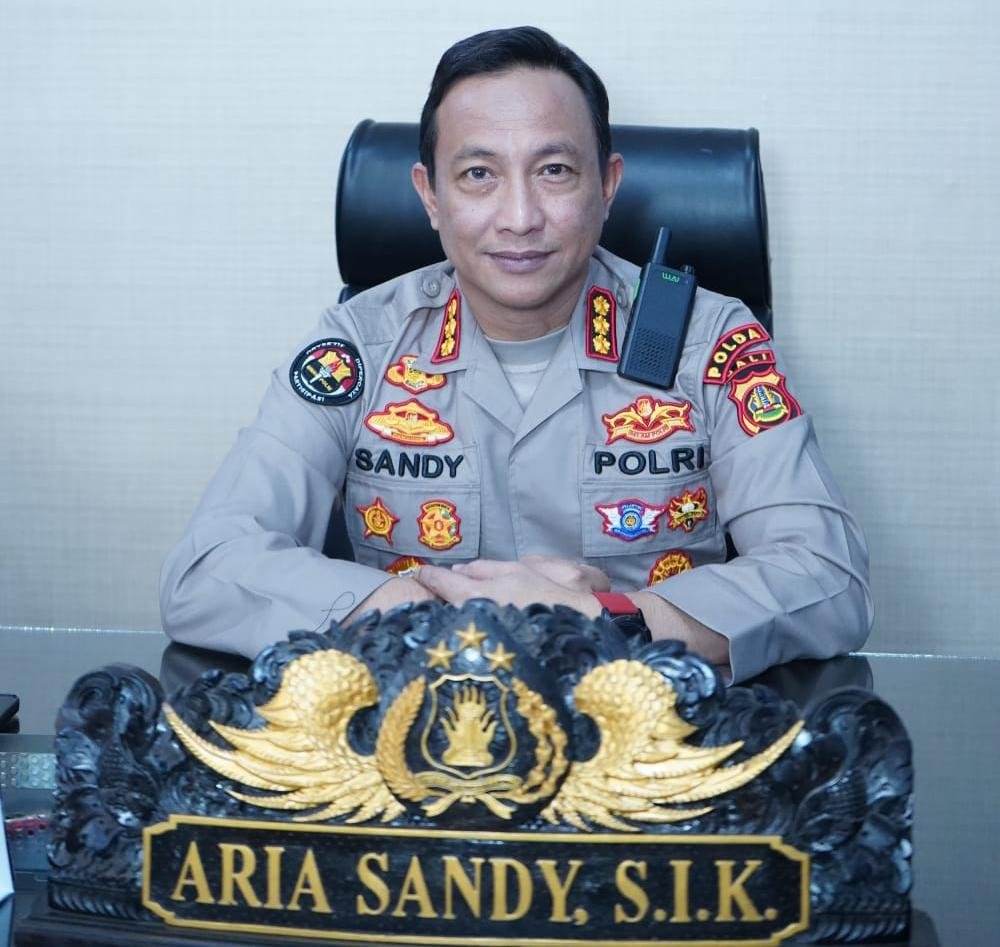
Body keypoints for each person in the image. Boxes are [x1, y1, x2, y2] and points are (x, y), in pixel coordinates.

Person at [160, 26, 872, 682]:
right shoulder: (359, 348)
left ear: (607, 186)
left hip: (647, 735)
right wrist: (413, 613)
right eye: (478, 174)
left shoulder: (709, 340)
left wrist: (613, 622)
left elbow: (827, 574)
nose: (520, 217)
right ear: (430, 196)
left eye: (554, 170)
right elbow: (206, 567)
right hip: (412, 732)